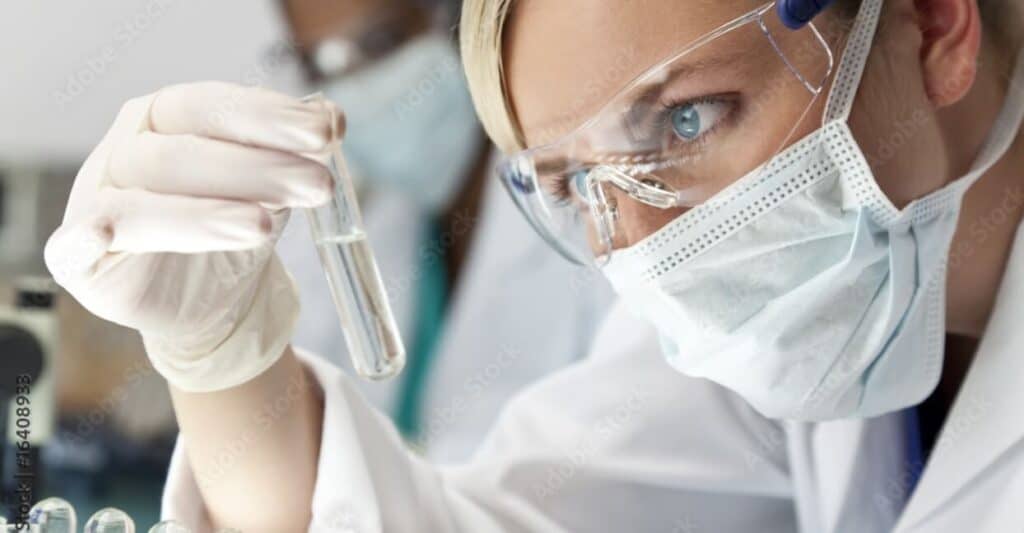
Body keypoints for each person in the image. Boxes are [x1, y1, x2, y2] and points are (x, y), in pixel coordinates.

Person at [43, 0, 1024, 531]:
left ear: (935, 24)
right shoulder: (780, 319)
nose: (643, 245)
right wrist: (222, 359)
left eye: (687, 118)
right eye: (571, 182)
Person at [271, 0, 611, 460]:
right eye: (319, 63)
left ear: (458, 19)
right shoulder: (370, 220)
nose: (357, 86)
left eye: (381, 42)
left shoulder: (589, 206)